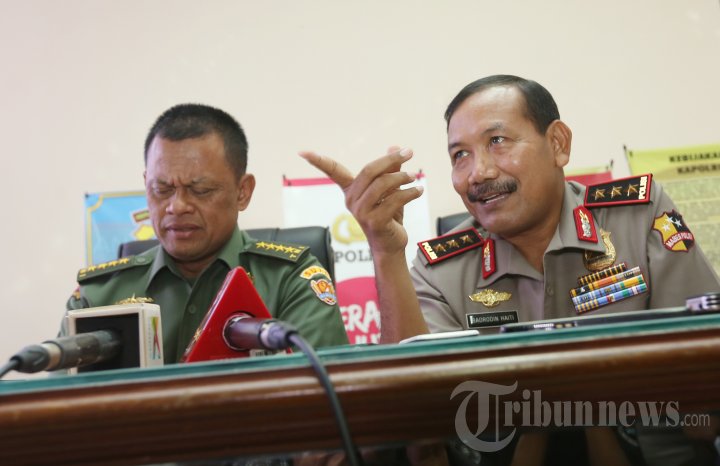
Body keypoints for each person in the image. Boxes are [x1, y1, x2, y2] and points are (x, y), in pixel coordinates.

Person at [301, 75, 720, 465]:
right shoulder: (441, 269)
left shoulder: (637, 218)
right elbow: (412, 419)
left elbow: (705, 385)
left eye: (497, 141)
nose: (479, 172)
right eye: (460, 155)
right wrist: (386, 250)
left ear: (557, 144)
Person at [65, 103, 348, 364]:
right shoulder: (98, 296)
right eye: (161, 189)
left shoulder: (290, 282)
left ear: (243, 192)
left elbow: (318, 392)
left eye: (200, 190)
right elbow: (63, 398)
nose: (177, 206)